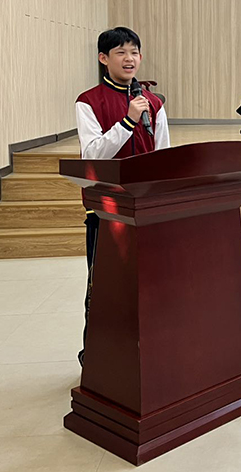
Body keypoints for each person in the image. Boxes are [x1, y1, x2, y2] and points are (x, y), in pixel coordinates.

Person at [74, 27, 170, 366]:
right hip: (106, 212)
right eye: (121, 52)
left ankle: (150, 356)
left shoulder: (154, 103)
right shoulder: (89, 102)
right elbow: (92, 156)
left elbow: (163, 157)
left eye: (134, 52)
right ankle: (97, 360)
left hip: (146, 209)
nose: (129, 59)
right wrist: (127, 122)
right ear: (104, 58)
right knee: (103, 289)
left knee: (151, 288)